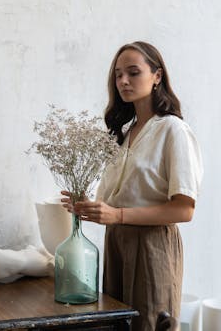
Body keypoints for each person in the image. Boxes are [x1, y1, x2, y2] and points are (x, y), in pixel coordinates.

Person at [61, 41, 203, 331]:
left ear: (157, 77)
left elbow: (184, 209)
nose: (123, 81)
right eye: (118, 75)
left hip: (152, 247)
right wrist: (87, 207)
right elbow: (119, 203)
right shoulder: (125, 134)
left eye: (133, 72)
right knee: (117, 326)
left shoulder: (173, 130)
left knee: (150, 324)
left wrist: (118, 215)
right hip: (116, 244)